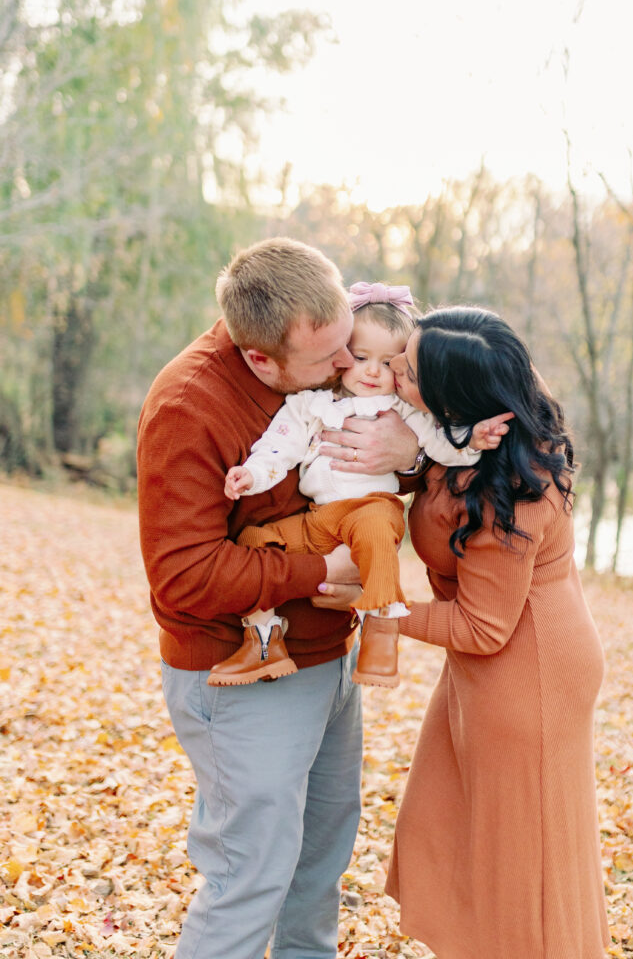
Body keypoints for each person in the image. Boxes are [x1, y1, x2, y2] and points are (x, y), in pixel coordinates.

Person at [136, 238, 424, 959]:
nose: (347, 368)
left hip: (329, 662)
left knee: (314, 876)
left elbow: (372, 477)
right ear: (260, 358)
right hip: (241, 678)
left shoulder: (324, 372)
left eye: (347, 347)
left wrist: (404, 456)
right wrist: (323, 569)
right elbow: (184, 576)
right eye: (329, 358)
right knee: (248, 884)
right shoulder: (189, 407)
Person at [385, 307, 611, 959]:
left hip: (525, 674)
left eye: (406, 367)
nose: (392, 371)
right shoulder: (462, 435)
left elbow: (482, 627)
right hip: (494, 660)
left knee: (521, 867)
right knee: (446, 819)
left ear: (451, 394)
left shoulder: (509, 484)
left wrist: (381, 613)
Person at [209, 282, 493, 690]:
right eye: (361, 358)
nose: (373, 371)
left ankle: (381, 628)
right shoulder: (312, 403)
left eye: (388, 362)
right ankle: (264, 639)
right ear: (342, 353)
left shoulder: (402, 410)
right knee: (255, 539)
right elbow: (280, 445)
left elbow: (440, 443)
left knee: (377, 530)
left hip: (370, 508)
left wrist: (471, 442)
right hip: (319, 520)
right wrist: (252, 473)